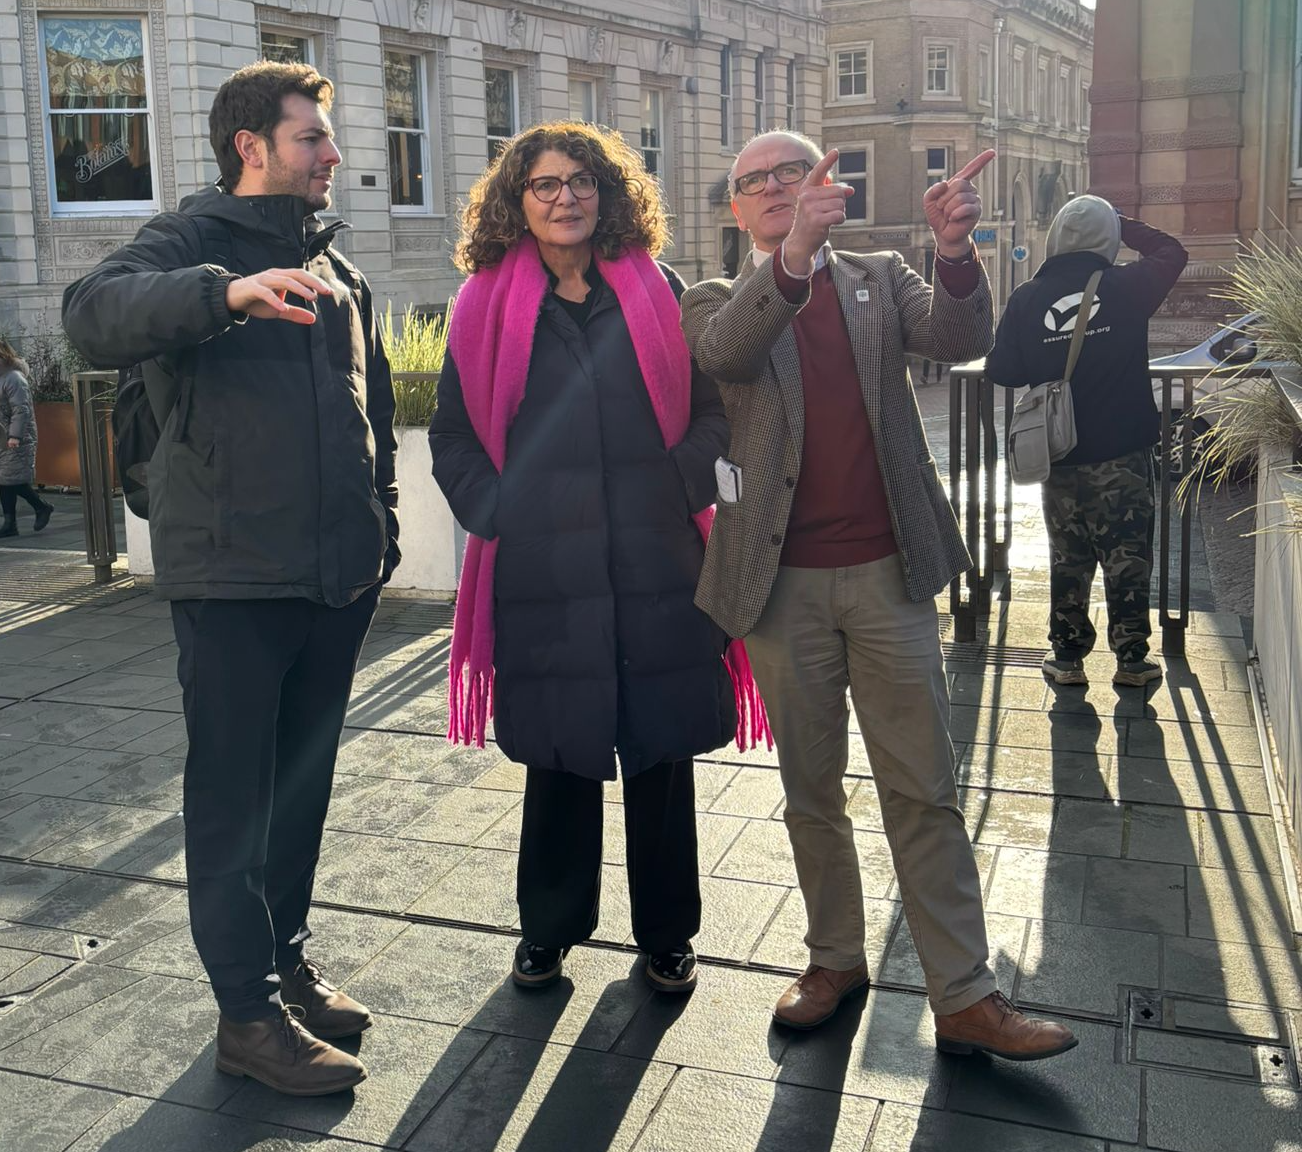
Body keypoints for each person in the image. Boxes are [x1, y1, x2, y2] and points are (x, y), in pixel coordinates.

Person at [681, 130, 1077, 1060]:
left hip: (889, 574)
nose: (780, 186)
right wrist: (791, 259)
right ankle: (835, 960)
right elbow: (731, 354)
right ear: (736, 207)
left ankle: (965, 993)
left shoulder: (876, 277)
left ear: (831, 184)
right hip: (778, 587)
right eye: (757, 180)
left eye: (797, 171)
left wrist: (950, 252)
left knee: (924, 788)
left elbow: (961, 337)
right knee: (809, 790)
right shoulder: (712, 296)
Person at [62, 61, 399, 1097]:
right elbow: (89, 312)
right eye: (312, 140)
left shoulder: (338, 267)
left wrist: (381, 528)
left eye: (329, 140)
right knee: (231, 803)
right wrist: (224, 295)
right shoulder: (190, 240)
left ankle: (283, 961)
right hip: (232, 581)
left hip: (333, 582)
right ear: (251, 146)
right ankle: (245, 1017)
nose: (333, 156)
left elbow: (370, 413)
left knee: (298, 795)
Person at [429, 123, 761, 995]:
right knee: (560, 758)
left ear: (607, 192)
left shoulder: (656, 289)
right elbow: (455, 435)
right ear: (517, 199)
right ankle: (548, 929)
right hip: (545, 570)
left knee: (660, 759)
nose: (565, 197)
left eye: (581, 181)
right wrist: (497, 509)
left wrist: (676, 477)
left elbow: (717, 411)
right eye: (545, 184)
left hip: (658, 560)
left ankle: (667, 934)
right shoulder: (484, 303)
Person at [986, 196, 1188, 688]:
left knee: (1068, 558)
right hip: (1124, 457)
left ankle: (1068, 658)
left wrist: (1046, 361)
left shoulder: (1028, 298)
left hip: (1059, 455)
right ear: (1107, 239)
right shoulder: (1128, 286)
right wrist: (1120, 223)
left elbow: (1002, 371)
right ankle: (1133, 661)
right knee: (1128, 557)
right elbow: (1172, 252)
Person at [0, 338, 53, 539]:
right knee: (5, 480)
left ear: (1, 355)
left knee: (12, 480)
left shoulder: (13, 378)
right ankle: (11, 523)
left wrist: (14, 435)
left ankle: (40, 507)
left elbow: (21, 409)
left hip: (14, 437)